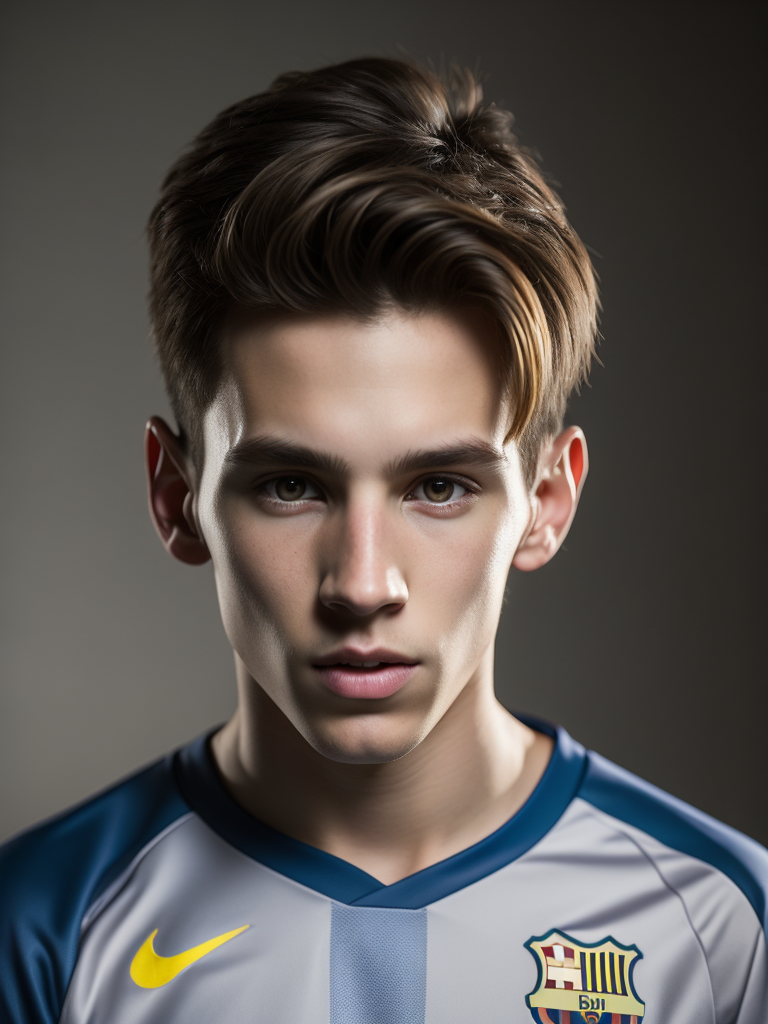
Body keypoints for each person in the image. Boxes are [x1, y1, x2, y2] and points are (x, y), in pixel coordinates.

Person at [1, 56, 765, 1024]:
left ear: (548, 500)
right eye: (291, 485)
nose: (363, 583)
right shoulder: (39, 930)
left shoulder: (724, 929)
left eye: (438, 486)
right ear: (175, 493)